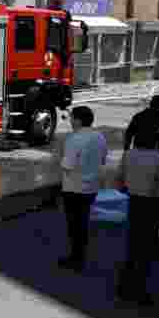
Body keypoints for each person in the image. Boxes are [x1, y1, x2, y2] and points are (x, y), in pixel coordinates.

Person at [115, 128, 159, 305]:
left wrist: (126, 188)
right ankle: (140, 290)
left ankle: (124, 286)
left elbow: (119, 179)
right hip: (152, 204)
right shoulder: (158, 158)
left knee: (133, 245)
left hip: (134, 201)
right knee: (147, 249)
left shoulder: (128, 155)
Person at [58, 106, 108, 272]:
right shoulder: (100, 137)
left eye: (72, 118)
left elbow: (67, 165)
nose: (70, 121)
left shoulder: (74, 139)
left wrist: (60, 157)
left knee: (74, 225)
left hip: (74, 187)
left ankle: (76, 258)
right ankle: (80, 255)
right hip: (91, 186)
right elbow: (103, 159)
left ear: (78, 120)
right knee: (83, 222)